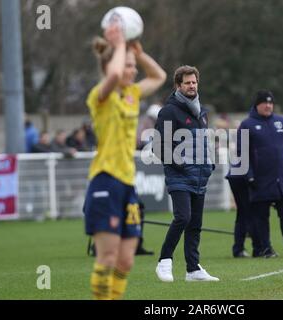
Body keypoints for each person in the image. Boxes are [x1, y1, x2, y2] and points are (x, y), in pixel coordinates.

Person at [83, 23, 166, 300]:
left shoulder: (131, 95)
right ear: (108, 68)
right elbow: (116, 72)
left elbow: (159, 76)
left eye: (133, 67)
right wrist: (119, 46)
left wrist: (138, 54)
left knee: (126, 260)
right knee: (107, 256)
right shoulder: (100, 96)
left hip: (127, 184)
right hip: (105, 179)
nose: (132, 71)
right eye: (129, 66)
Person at [154, 65, 219, 282]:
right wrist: (180, 164)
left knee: (195, 224)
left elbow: (204, 142)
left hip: (200, 176)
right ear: (178, 85)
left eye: (194, 82)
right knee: (183, 217)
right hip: (179, 175)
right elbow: (158, 146)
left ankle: (193, 269)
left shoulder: (201, 112)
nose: (191, 86)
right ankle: (164, 261)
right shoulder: (169, 111)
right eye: (187, 83)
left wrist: (210, 163)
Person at [239, 90, 283, 258]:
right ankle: (266, 248)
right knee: (261, 217)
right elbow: (242, 152)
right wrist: (249, 174)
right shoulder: (247, 124)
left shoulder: (282, 122)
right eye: (265, 103)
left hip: (281, 179)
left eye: (271, 103)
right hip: (260, 179)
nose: (268, 105)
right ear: (257, 105)